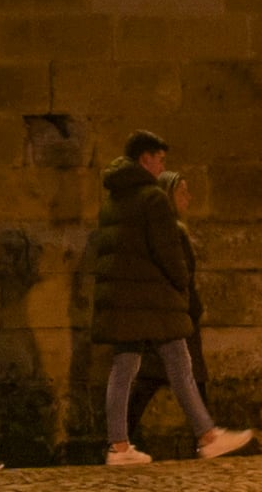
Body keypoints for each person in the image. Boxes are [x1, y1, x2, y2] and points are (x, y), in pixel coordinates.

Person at [87, 134, 252, 467]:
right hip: (152, 300)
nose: (162, 166)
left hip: (124, 301)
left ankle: (119, 446)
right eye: (159, 159)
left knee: (124, 369)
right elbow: (167, 252)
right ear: (146, 159)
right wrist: (180, 284)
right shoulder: (152, 199)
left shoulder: (113, 201)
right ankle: (207, 436)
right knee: (179, 362)